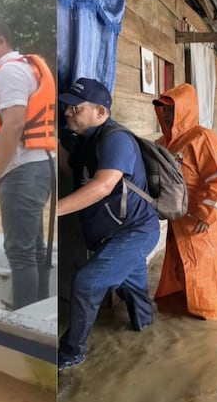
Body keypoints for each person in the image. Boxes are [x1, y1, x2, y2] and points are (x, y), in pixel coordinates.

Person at [56, 78, 160, 371]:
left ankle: (71, 352)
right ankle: (150, 337)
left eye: (75, 108)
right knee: (133, 289)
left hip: (134, 232)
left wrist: (53, 211)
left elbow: (102, 187)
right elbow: (71, 170)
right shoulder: (83, 140)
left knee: (86, 283)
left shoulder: (116, 139)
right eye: (66, 107)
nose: (67, 112)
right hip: (114, 235)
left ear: (100, 112)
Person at [0, 18, 56, 309]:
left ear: (0, 41)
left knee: (19, 252)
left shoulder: (9, 73)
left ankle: (26, 317)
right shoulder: (14, 70)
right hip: (36, 168)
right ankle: (39, 309)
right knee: (33, 248)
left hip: (23, 171)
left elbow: (14, 125)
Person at [152, 83, 217, 320]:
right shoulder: (162, 144)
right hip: (181, 213)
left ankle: (209, 316)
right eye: (164, 110)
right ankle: (189, 301)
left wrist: (206, 214)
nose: (168, 115)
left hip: (209, 214)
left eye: (172, 109)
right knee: (182, 257)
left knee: (204, 262)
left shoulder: (203, 138)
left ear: (185, 109)